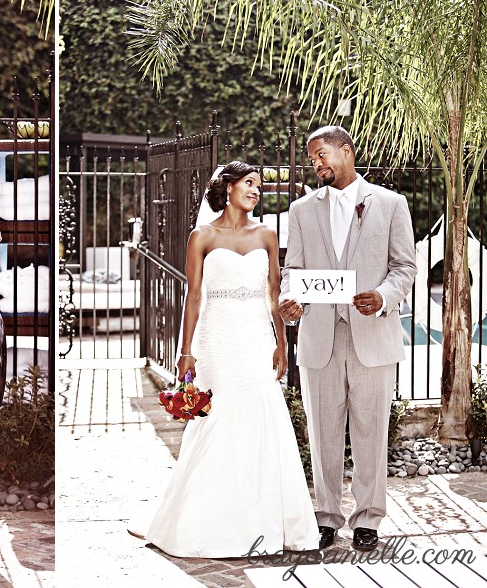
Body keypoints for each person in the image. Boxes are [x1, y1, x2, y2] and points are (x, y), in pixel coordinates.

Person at [143, 161, 319, 557]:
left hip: (256, 338)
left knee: (262, 420)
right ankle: (207, 523)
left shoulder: (268, 235)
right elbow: (193, 295)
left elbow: (274, 294)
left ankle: (263, 522)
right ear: (228, 188)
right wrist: (186, 350)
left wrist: (282, 344)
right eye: (249, 183)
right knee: (218, 420)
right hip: (217, 340)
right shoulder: (201, 236)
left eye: (259, 184)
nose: (257, 190)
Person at [278, 125, 416, 552]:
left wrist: (384, 296)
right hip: (320, 337)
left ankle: (368, 518)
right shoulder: (301, 210)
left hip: (372, 336)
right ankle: (326, 516)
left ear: (346, 150)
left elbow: (405, 268)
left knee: (372, 430)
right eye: (312, 158)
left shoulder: (392, 204)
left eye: (322, 154)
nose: (317, 163)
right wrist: (288, 298)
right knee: (322, 432)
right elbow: (292, 271)